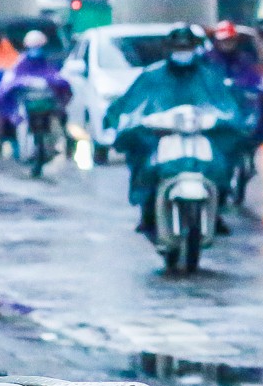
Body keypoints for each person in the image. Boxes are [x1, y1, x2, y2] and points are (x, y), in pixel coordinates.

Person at [107, 25, 249, 234]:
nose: (183, 52)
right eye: (178, 47)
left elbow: (227, 107)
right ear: (169, 49)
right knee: (143, 160)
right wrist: (139, 124)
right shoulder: (151, 76)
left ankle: (216, 209)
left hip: (201, 135)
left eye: (187, 47)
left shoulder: (209, 77)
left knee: (221, 161)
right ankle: (148, 208)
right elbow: (132, 107)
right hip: (159, 136)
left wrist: (224, 122)